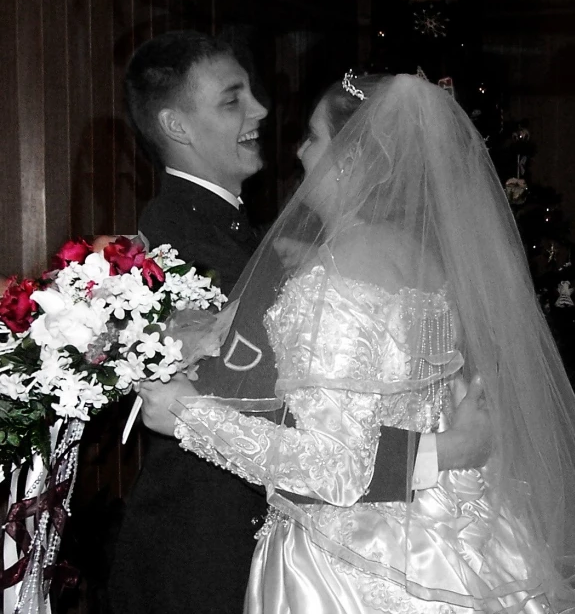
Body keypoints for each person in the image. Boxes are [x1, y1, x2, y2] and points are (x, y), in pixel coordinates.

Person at [142, 71, 575, 613]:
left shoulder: (336, 277)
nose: (299, 151)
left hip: (354, 557)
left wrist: (189, 415)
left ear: (355, 160)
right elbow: (440, 406)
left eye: (313, 137)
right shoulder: (425, 262)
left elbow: (336, 466)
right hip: (450, 526)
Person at [108, 32, 468, 614]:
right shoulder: (178, 242)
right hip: (208, 546)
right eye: (232, 100)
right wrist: (443, 453)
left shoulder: (263, 236)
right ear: (177, 126)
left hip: (315, 538)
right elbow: (296, 420)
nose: (262, 111)